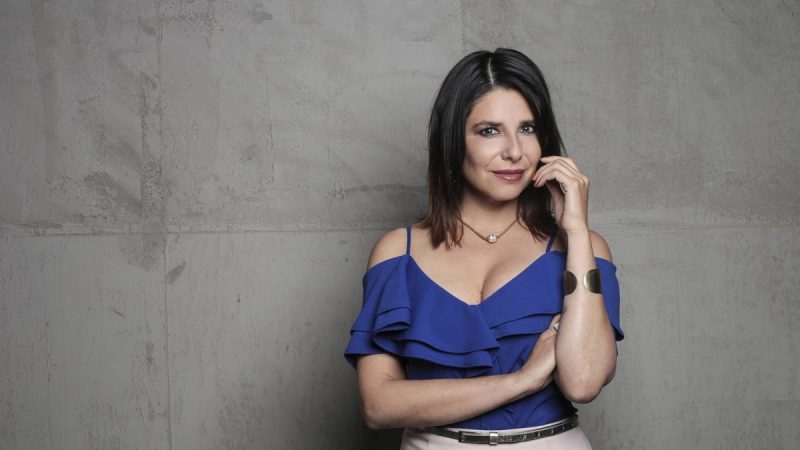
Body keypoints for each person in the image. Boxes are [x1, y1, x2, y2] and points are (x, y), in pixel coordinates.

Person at [344, 48, 624, 449]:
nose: (515, 151)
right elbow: (378, 406)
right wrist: (520, 382)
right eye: (489, 131)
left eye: (527, 128)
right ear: (454, 142)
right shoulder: (397, 253)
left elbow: (583, 382)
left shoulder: (582, 248)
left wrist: (576, 232)